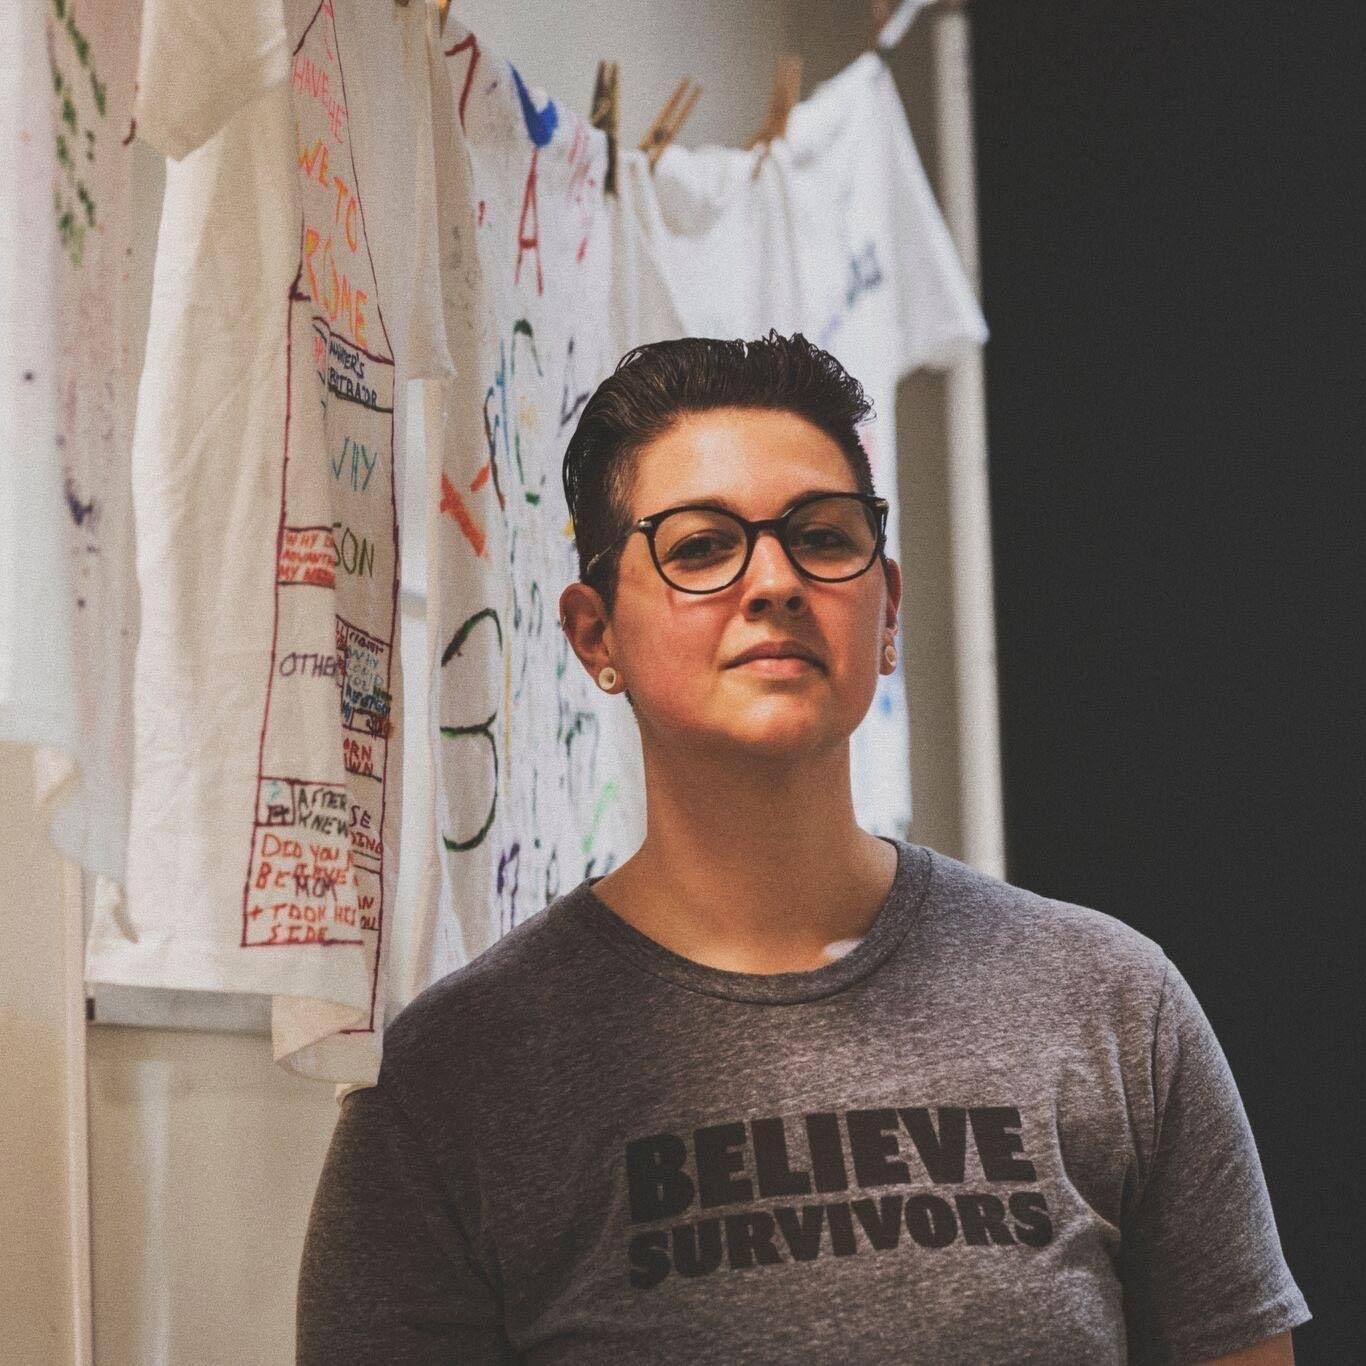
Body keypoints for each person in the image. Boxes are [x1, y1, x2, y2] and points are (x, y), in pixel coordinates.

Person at [297, 333, 1309, 1363]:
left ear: (887, 614)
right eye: (699, 547)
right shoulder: (452, 1085)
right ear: (595, 632)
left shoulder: (1109, 1006)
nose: (773, 580)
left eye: (822, 537)